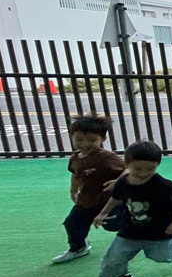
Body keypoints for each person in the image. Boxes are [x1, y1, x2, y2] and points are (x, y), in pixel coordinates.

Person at [92, 141, 172, 277]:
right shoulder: (122, 182)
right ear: (127, 164)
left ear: (157, 165)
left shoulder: (164, 185)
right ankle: (118, 276)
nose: (143, 173)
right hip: (130, 228)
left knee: (162, 257)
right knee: (114, 257)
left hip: (160, 230)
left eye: (150, 169)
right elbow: (116, 198)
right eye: (137, 169)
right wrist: (103, 213)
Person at [52, 112, 125, 264]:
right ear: (71, 137)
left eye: (92, 140)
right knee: (73, 224)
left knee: (114, 225)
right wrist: (73, 190)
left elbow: (129, 169)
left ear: (103, 139)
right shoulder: (75, 158)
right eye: (79, 139)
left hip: (108, 200)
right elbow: (75, 174)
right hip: (86, 199)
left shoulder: (107, 157)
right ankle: (78, 248)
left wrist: (118, 181)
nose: (85, 144)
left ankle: (149, 232)